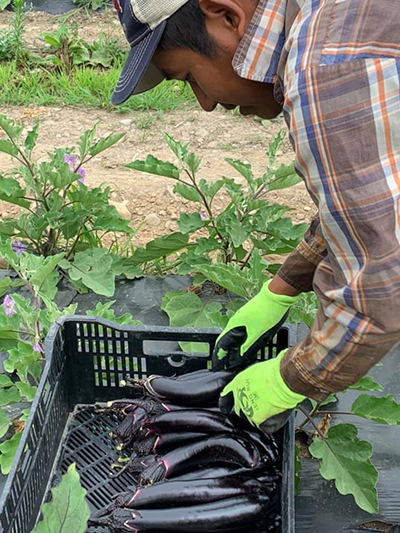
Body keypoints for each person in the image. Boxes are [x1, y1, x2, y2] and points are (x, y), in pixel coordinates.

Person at [113, 0, 400, 433]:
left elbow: (383, 289)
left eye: (189, 77)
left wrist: (291, 380)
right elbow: (372, 203)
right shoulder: (329, 20)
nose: (205, 103)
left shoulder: (321, 67)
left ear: (226, 16)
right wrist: (281, 289)